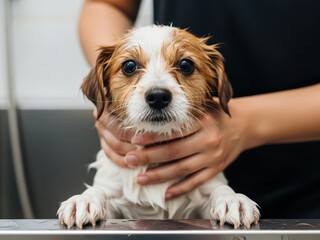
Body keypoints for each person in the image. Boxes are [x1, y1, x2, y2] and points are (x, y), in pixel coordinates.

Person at [79, 0, 320, 218]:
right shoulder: (113, 173)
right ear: (103, 83)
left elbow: (209, 196)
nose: (157, 91)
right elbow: (107, 4)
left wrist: (246, 125)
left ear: (217, 83)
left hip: (307, 190)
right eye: (130, 68)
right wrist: (95, 198)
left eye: (185, 66)